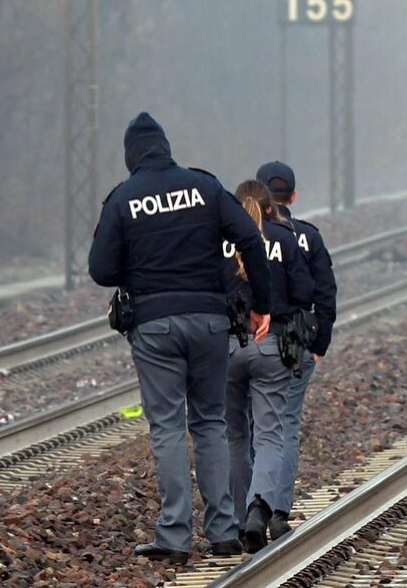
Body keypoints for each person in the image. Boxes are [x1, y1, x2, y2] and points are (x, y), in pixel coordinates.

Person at [88, 112, 273, 565]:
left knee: (168, 426)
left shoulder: (123, 198)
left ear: (131, 155)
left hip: (154, 326)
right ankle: (224, 532)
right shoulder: (205, 187)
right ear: (167, 148)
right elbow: (251, 238)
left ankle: (173, 537)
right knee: (211, 423)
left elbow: (101, 270)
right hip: (211, 322)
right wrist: (261, 303)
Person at [222, 179, 314, 552]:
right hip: (271, 345)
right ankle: (259, 508)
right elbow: (305, 293)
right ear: (272, 206)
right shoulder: (285, 238)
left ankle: (237, 519)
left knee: (234, 437)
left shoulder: (221, 242)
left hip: (227, 347)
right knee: (270, 434)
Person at [255, 160, 338, 540]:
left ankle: (250, 510)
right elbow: (324, 294)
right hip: (294, 347)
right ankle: (278, 512)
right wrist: (319, 344)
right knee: (285, 425)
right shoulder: (307, 236)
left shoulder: (241, 237)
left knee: (248, 429)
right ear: (293, 196)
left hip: (249, 344)